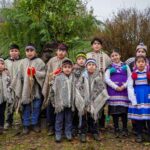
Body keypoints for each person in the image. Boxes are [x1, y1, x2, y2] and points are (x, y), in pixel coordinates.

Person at [11, 43, 46, 134]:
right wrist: (22, 79)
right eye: (27, 51)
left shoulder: (40, 62)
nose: (29, 52)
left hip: (36, 91)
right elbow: (18, 75)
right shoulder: (23, 62)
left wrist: (36, 73)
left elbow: (44, 74)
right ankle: (26, 125)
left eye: (31, 50)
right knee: (26, 107)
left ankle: (34, 124)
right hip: (25, 90)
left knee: (36, 107)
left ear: (35, 52)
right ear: (25, 52)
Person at [75, 58, 109, 142]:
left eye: (93, 65)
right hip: (84, 101)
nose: (91, 66)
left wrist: (95, 99)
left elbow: (101, 89)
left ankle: (94, 132)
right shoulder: (82, 77)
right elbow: (78, 88)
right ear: (86, 66)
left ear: (96, 66)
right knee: (83, 117)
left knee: (94, 117)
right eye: (89, 65)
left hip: (94, 101)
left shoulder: (98, 77)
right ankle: (82, 133)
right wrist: (83, 99)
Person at [42, 43, 68, 136]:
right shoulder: (52, 61)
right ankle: (51, 126)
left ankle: (62, 127)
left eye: (63, 51)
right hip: (52, 87)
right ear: (56, 51)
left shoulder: (67, 61)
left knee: (61, 108)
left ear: (66, 52)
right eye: (59, 50)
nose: (61, 52)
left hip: (63, 88)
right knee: (50, 106)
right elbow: (47, 73)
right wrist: (51, 76)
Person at [105, 48, 131, 137]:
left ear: (120, 55)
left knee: (124, 111)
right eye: (112, 56)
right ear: (110, 58)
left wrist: (124, 86)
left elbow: (130, 77)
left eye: (116, 55)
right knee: (115, 111)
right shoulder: (109, 67)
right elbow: (106, 79)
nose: (115, 57)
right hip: (113, 92)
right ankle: (116, 128)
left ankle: (124, 128)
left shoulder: (125, 66)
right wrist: (115, 87)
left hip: (124, 91)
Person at [87, 37, 111, 129]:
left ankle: (100, 123)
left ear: (101, 45)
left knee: (101, 103)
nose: (96, 45)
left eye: (98, 44)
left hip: (102, 83)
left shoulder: (106, 56)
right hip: (90, 82)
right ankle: (91, 123)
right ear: (92, 45)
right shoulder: (88, 55)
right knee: (91, 102)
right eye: (94, 43)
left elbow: (110, 68)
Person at [126, 43, 149, 133]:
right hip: (138, 94)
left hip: (147, 95)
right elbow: (130, 85)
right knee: (138, 113)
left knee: (147, 112)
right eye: (139, 51)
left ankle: (146, 130)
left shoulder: (148, 69)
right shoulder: (131, 63)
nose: (140, 53)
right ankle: (138, 131)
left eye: (143, 51)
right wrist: (133, 98)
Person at [128, 56, 150, 142]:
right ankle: (139, 134)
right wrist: (133, 99)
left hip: (148, 96)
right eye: (139, 62)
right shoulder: (133, 74)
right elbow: (130, 87)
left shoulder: (148, 73)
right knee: (139, 117)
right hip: (138, 97)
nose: (141, 63)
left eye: (142, 62)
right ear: (135, 64)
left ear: (146, 63)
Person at [52, 59, 75, 142]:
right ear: (62, 68)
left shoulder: (74, 78)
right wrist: (54, 102)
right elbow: (53, 91)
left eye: (69, 67)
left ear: (72, 68)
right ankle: (58, 133)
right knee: (59, 119)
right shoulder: (58, 78)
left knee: (69, 119)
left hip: (70, 103)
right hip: (60, 104)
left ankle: (68, 132)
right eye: (65, 67)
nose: (67, 69)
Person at [4, 44, 22, 130]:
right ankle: (8, 121)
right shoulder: (5, 62)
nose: (14, 52)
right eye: (12, 51)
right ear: (9, 52)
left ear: (19, 52)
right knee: (9, 104)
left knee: (21, 103)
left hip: (19, 86)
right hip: (9, 86)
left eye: (15, 50)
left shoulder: (22, 62)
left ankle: (24, 121)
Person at [72, 52, 87, 136]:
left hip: (84, 93)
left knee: (83, 111)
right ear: (76, 61)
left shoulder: (87, 69)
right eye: (79, 59)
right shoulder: (73, 69)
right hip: (75, 93)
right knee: (75, 111)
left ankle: (82, 127)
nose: (81, 61)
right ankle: (74, 127)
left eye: (83, 59)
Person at [0, 58, 12, 134]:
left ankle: (1, 127)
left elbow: (10, 84)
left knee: (2, 112)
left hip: (3, 97)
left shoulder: (6, 75)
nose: (0, 65)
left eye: (2, 64)